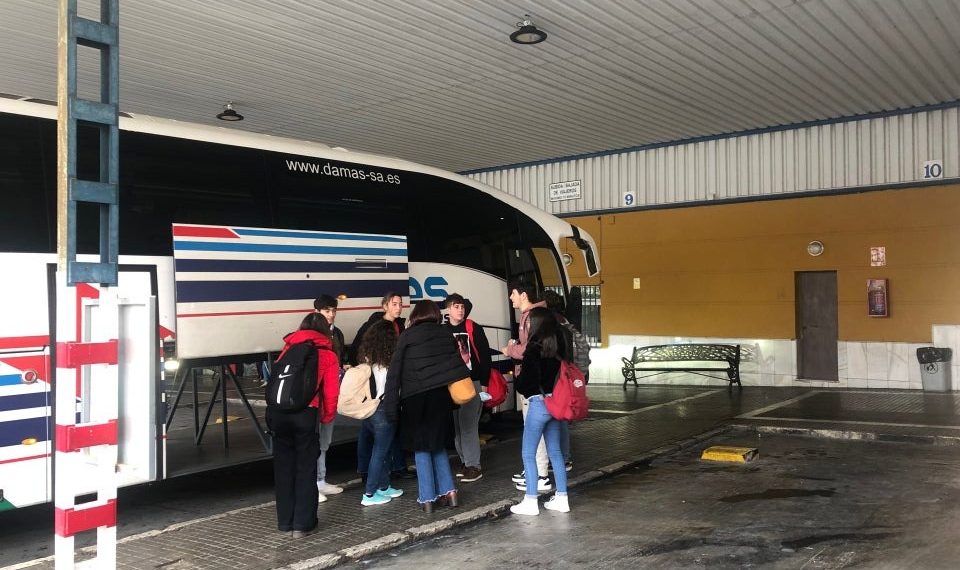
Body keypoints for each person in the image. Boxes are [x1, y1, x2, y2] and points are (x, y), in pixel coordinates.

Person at [382, 300, 470, 513]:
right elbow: (457, 365)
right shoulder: (445, 334)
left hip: (415, 399)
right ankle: (450, 492)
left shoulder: (407, 336)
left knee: (421, 447)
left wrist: (390, 408)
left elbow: (394, 374)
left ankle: (427, 498)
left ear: (416, 315)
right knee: (437, 445)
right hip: (440, 398)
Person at [267, 312, 340, 537]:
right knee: (306, 469)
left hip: (279, 414)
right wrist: (327, 418)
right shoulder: (327, 354)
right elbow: (331, 393)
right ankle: (303, 524)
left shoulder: (288, 348)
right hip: (305, 415)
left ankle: (285, 523)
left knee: (284, 469)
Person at [510, 306, 571, 516]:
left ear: (536, 324)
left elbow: (526, 383)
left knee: (528, 453)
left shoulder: (534, 348)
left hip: (538, 404)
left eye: (529, 322)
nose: (526, 325)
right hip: (556, 404)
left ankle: (530, 500)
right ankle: (562, 498)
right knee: (555, 452)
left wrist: (519, 380)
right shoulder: (559, 347)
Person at [351, 292, 410, 480]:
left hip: (391, 382)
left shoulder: (400, 326)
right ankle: (368, 471)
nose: (398, 308)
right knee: (371, 429)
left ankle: (397, 466)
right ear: (385, 306)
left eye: (400, 304)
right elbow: (356, 350)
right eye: (394, 304)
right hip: (375, 384)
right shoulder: (374, 326)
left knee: (388, 425)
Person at [500, 281, 552, 494]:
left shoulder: (532, 317)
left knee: (535, 430)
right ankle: (535, 471)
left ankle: (540, 476)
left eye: (513, 293)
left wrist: (510, 349)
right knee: (538, 430)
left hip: (534, 383)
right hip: (537, 381)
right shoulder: (534, 315)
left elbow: (530, 349)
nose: (510, 298)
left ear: (523, 295)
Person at [355, 320, 404, 505]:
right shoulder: (389, 362)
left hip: (369, 409)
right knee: (380, 452)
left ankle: (384, 486)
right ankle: (369, 494)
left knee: (380, 450)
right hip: (383, 409)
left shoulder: (367, 358)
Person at [443, 293, 490, 483]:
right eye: (456, 307)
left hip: (473, 382)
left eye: (462, 307)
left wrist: (484, 382)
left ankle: (474, 466)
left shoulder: (473, 327)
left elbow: (485, 356)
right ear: (448, 309)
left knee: (469, 425)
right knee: (457, 427)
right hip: (453, 384)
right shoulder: (443, 330)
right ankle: (465, 462)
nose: (460, 310)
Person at [312, 295, 347, 501]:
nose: (331, 314)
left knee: (325, 439)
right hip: (315, 395)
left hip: (330, 392)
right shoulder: (311, 335)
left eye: (334, 310)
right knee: (313, 439)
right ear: (316, 312)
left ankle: (321, 480)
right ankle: (313, 484)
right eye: (327, 311)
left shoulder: (337, 333)